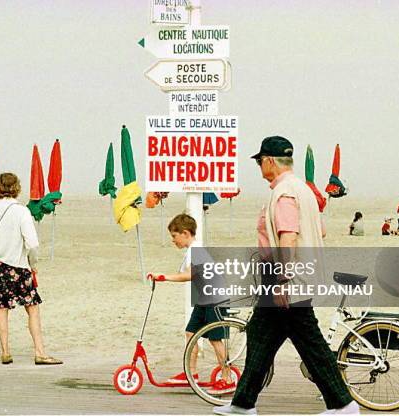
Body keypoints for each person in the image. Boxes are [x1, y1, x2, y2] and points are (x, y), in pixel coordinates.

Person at [214, 136, 358, 415]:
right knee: (261, 335)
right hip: (301, 275)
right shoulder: (304, 190)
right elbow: (320, 230)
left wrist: (282, 279)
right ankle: (243, 403)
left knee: (310, 343)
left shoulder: (284, 193)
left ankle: (343, 404)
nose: (258, 166)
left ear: (269, 161)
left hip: (286, 278)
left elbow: (288, 237)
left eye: (259, 161)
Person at [0, 172, 62, 366]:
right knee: (32, 308)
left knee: (2, 308)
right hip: (18, 265)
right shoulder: (21, 211)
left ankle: (6, 352)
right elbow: (32, 243)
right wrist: (34, 265)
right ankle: (40, 352)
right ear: (17, 188)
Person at [150, 214, 235, 395]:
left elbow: (189, 275)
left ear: (185, 233)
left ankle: (227, 379)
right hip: (205, 297)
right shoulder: (192, 250)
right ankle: (192, 373)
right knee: (191, 332)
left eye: (174, 236)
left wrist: (164, 277)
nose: (173, 240)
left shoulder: (196, 249)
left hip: (215, 298)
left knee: (214, 338)